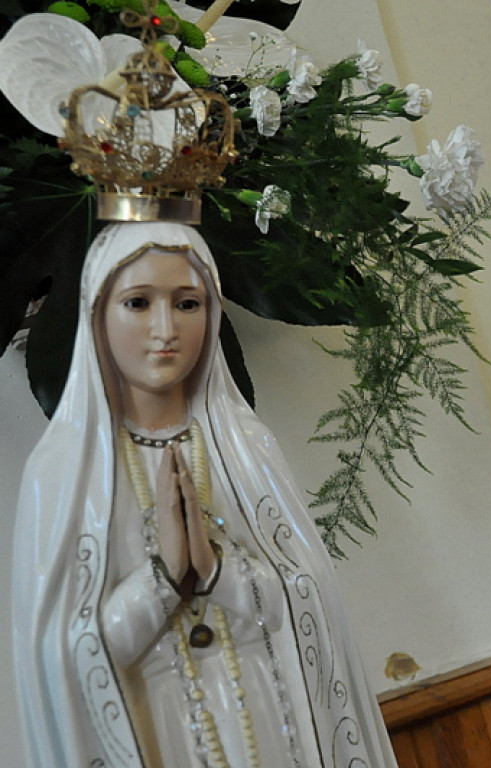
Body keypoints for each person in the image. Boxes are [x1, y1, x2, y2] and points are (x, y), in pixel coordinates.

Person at [12, 222, 398, 768]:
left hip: (268, 721)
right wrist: (162, 580)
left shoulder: (246, 449)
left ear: (212, 313)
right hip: (159, 733)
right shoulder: (63, 473)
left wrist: (216, 570)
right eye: (139, 303)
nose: (165, 328)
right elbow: (63, 659)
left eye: (188, 303)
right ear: (97, 314)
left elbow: (304, 605)